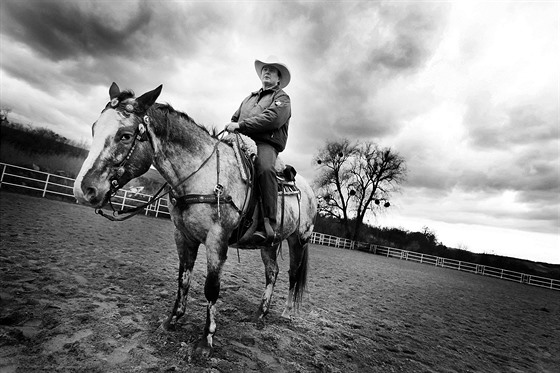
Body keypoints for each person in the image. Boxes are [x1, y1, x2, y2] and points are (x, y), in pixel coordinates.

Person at [225, 57, 292, 242]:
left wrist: (241, 126)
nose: (266, 72)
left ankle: (269, 224)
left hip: (265, 143)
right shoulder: (249, 98)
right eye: (264, 69)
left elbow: (273, 119)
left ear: (279, 79)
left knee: (265, 169)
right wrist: (234, 126)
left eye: (271, 70)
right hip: (241, 138)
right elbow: (235, 118)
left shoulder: (282, 98)